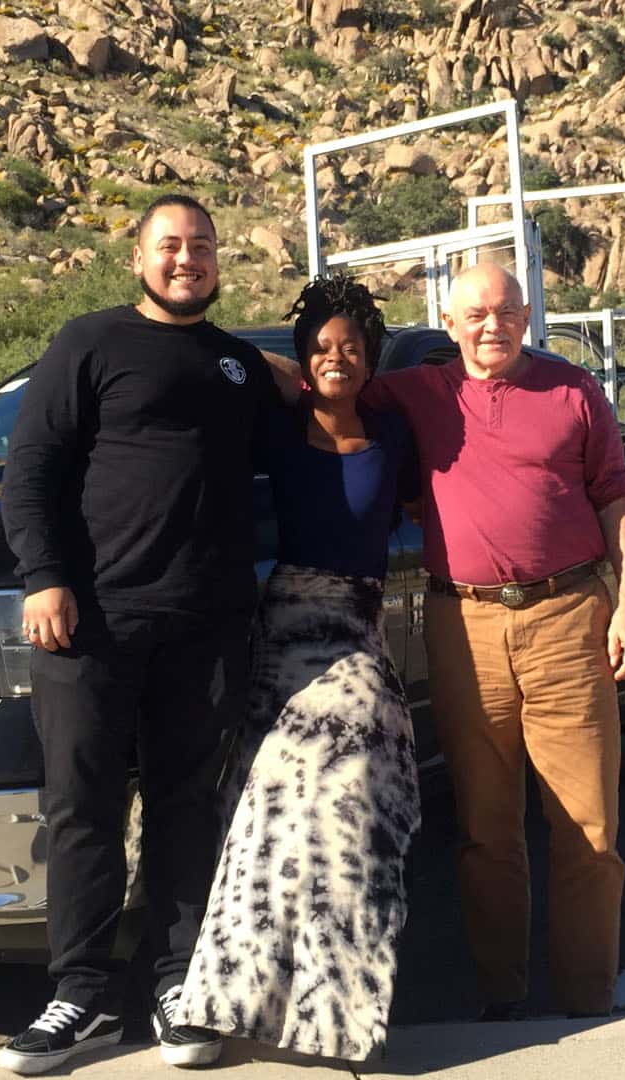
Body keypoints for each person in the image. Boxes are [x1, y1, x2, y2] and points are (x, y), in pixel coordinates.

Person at [0, 194, 293, 1074]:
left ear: (218, 260)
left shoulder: (238, 364)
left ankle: (178, 985)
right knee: (81, 807)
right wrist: (45, 578)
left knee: (183, 808)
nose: (186, 259)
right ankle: (79, 995)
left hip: (204, 626)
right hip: (92, 623)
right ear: (138, 258)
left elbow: (319, 425)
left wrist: (291, 372)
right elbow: (31, 470)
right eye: (170, 245)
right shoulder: (89, 342)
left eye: (202, 245)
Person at [360, 262, 625, 1020]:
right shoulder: (418, 394)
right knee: (487, 828)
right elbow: (323, 381)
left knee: (587, 825)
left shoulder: (572, 390)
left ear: (528, 316)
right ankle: (503, 997)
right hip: (464, 623)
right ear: (447, 325)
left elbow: (617, 495)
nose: (493, 325)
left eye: (507, 311)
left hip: (568, 615)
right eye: (476, 314)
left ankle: (589, 1000)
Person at [176, 277, 422, 1063]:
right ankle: (223, 996)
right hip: (283, 624)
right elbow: (221, 359)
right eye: (320, 347)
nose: (336, 357)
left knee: (349, 800)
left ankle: (337, 1009)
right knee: (261, 810)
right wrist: (284, 370)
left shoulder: (395, 430)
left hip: (357, 623)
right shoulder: (277, 427)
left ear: (371, 355)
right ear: (302, 360)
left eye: (350, 345)